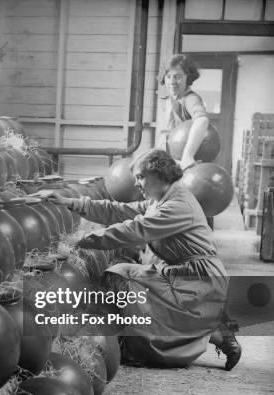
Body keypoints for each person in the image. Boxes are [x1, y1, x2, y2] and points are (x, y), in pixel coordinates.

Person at [38, 149, 241, 370]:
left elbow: (133, 230)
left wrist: (81, 241)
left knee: (122, 276)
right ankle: (212, 330)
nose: (136, 184)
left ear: (158, 174)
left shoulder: (177, 205)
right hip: (183, 271)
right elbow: (118, 211)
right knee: (132, 283)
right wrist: (69, 201)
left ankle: (212, 332)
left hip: (200, 277)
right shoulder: (161, 199)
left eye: (140, 177)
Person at [156, 54, 210, 171]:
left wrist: (188, 155)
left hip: (184, 166)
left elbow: (202, 120)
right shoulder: (170, 99)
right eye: (168, 76)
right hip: (169, 162)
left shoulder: (190, 99)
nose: (172, 82)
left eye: (178, 76)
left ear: (188, 77)